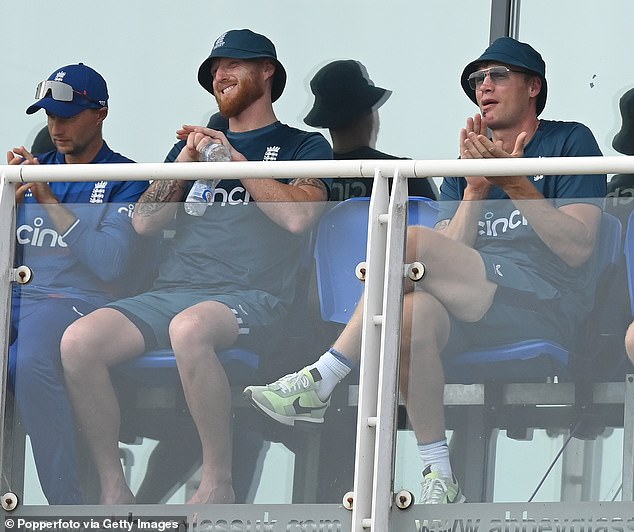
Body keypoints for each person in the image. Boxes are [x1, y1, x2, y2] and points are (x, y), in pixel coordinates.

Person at [244, 37, 607, 504]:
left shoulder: (570, 140)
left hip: (544, 303)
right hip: (477, 303)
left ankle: (324, 377)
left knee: (410, 240)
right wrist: (476, 190)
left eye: (497, 76)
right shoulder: (468, 163)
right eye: (478, 80)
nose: (484, 87)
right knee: (411, 315)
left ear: (533, 85)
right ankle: (440, 475)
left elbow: (578, 248)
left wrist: (514, 181)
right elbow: (438, 260)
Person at [60, 28, 332, 505]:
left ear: (267, 71)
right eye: (212, 70)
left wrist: (232, 161)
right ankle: (112, 487)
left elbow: (298, 217)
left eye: (232, 64)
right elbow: (145, 224)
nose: (218, 75)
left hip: (253, 298)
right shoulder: (196, 149)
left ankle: (217, 482)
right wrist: (188, 161)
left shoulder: (303, 146)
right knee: (79, 342)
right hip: (173, 292)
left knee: (189, 329)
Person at [6, 63, 149, 505]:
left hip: (78, 303)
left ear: (100, 113)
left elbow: (110, 263)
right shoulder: (27, 172)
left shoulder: (126, 177)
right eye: (49, 116)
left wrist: (47, 199)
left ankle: (65, 506)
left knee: (26, 361)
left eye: (67, 116)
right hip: (16, 297)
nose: (56, 127)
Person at [304, 59, 437, 201]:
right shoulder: (405, 175)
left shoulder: (310, 181)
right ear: (370, 114)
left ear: (325, 121)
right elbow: (433, 220)